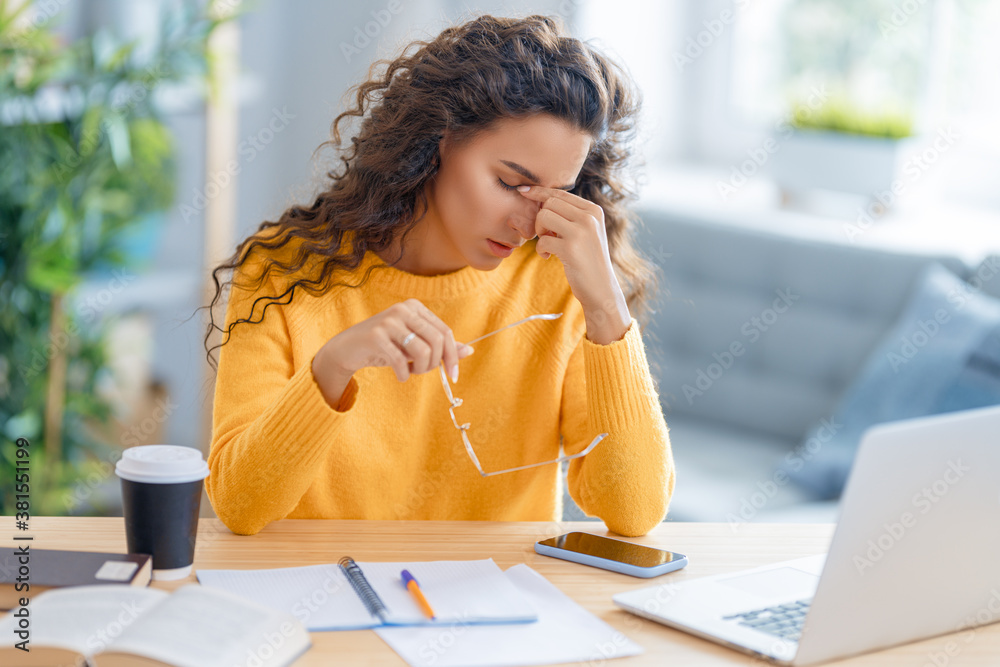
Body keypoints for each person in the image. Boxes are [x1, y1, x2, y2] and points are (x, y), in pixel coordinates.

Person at [203, 13, 675, 537]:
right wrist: (333, 365)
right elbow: (240, 507)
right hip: (324, 593)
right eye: (509, 182)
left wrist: (607, 308)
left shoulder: (557, 279)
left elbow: (635, 512)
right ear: (440, 142)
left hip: (497, 604)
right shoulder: (282, 272)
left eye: (553, 195)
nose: (528, 220)